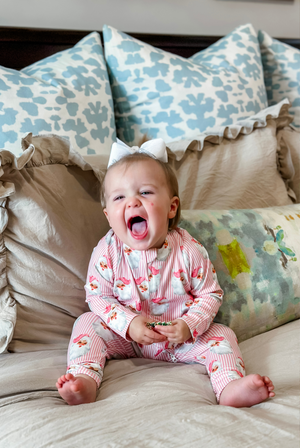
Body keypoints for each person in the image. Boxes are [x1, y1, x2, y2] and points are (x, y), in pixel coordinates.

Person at [56, 138, 275, 407]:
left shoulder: (188, 250)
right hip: (127, 339)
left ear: (171, 208)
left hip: (180, 339)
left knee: (222, 335)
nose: (133, 202)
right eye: (120, 197)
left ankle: (229, 386)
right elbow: (98, 296)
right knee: (86, 323)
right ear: (108, 215)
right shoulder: (107, 251)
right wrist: (129, 324)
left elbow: (210, 295)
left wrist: (188, 326)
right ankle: (84, 380)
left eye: (145, 193)